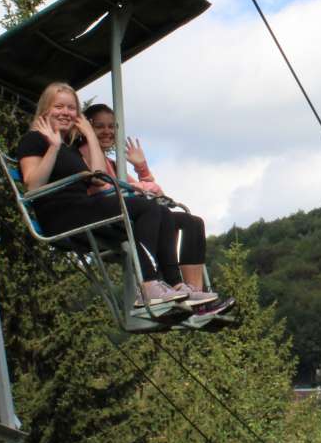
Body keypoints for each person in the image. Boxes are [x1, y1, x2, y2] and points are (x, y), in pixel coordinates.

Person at [15, 82, 189, 308]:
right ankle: (148, 285)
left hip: (83, 207)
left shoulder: (70, 147)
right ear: (46, 109)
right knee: (144, 207)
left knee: (161, 211)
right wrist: (53, 147)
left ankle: (176, 285)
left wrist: (88, 133)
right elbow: (32, 184)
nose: (66, 113)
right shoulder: (34, 139)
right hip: (61, 215)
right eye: (59, 107)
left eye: (71, 108)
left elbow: (97, 177)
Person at [82, 102, 219, 303]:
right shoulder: (86, 155)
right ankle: (155, 285)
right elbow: (103, 187)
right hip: (111, 217)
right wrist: (143, 188)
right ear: (88, 128)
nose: (107, 131)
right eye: (100, 126)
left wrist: (142, 169)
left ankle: (193, 291)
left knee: (192, 222)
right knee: (158, 212)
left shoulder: (112, 164)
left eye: (111, 127)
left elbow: (156, 195)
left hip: (136, 212)